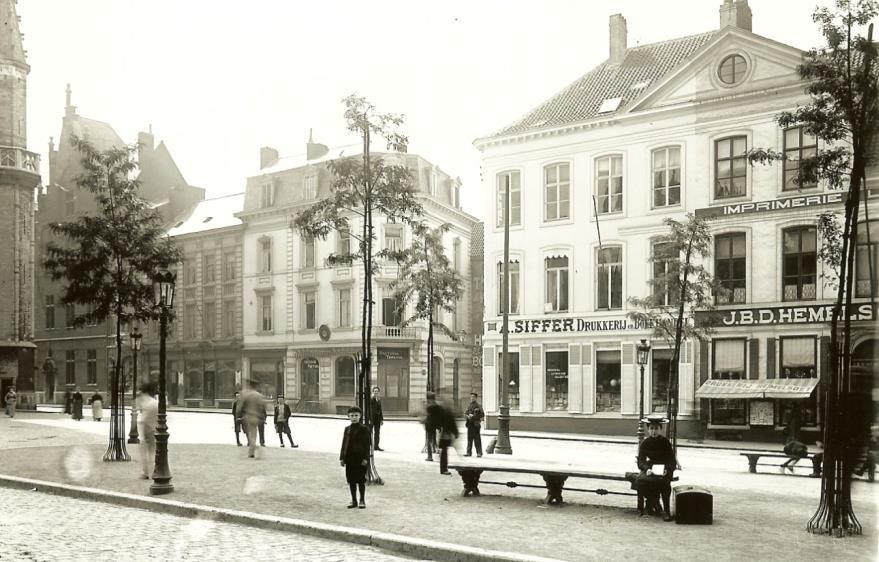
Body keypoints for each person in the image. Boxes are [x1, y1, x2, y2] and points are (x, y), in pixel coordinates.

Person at [636, 416, 675, 522]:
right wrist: (647, 468)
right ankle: (648, 505)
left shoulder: (665, 442)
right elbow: (640, 461)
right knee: (641, 481)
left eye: (656, 428)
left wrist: (666, 469)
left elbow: (672, 461)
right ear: (648, 430)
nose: (654, 431)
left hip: (664, 469)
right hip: (651, 469)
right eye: (651, 428)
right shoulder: (645, 443)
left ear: (660, 429)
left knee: (664, 484)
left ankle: (666, 511)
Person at [339, 406, 371, 509]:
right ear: (348, 416)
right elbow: (344, 444)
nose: (354, 417)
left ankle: (362, 500)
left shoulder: (364, 429)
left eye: (356, 415)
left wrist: (366, 459)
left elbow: (367, 445)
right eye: (352, 415)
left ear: (360, 416)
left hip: (360, 459)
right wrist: (342, 458)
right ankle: (354, 500)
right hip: (349, 459)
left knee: (361, 481)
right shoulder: (347, 429)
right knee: (351, 480)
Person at [136, 383, 158, 480]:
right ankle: (154, 471)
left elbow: (141, 416)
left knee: (143, 452)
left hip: (143, 427)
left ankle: (145, 472)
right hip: (153, 428)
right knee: (152, 451)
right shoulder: (155, 402)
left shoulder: (143, 400)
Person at [240, 382, 266, 458]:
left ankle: (253, 449)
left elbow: (242, 406)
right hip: (256, 417)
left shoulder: (246, 395)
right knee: (253, 433)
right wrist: (262, 416)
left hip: (248, 416)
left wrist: (241, 415)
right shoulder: (259, 395)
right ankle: (252, 450)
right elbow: (263, 407)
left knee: (250, 434)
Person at [464, 392, 484, 457]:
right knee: (469, 439)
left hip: (476, 425)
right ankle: (468, 452)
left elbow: (482, 414)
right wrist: (468, 416)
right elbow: (465, 413)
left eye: (473, 397)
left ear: (476, 398)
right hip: (470, 424)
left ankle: (479, 453)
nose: (472, 398)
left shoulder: (478, 406)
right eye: (471, 397)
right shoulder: (469, 405)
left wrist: (474, 416)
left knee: (477, 439)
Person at [369, 386, 384, 451]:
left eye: (377, 392)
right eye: (375, 391)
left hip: (377, 420)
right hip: (372, 419)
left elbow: (380, 410)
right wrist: (370, 419)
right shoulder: (371, 400)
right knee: (369, 433)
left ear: (378, 393)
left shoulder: (379, 400)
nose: (376, 393)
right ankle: (368, 446)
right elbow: (370, 410)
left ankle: (376, 446)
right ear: (373, 392)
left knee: (377, 433)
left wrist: (381, 419)